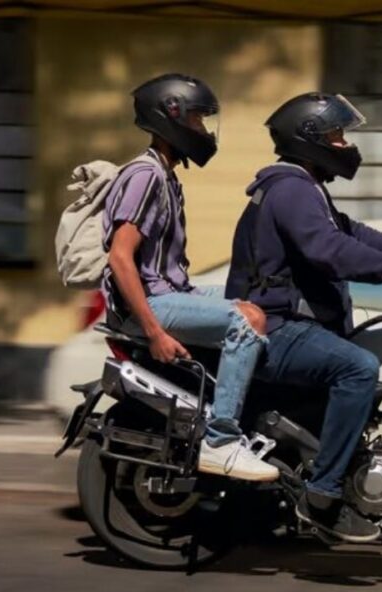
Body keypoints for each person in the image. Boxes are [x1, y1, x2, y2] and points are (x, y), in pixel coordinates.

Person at [226, 93, 382, 540]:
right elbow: (331, 251)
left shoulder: (305, 187)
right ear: (310, 139)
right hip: (276, 328)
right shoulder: (292, 190)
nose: (346, 145)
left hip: (289, 323)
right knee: (358, 368)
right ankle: (323, 495)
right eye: (337, 136)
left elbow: (353, 233)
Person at [102, 73, 278, 482]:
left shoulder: (165, 175)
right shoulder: (145, 175)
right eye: (198, 119)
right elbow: (120, 257)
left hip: (172, 291)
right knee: (246, 320)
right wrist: (154, 332)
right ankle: (221, 440)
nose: (203, 129)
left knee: (254, 299)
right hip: (150, 304)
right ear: (172, 117)